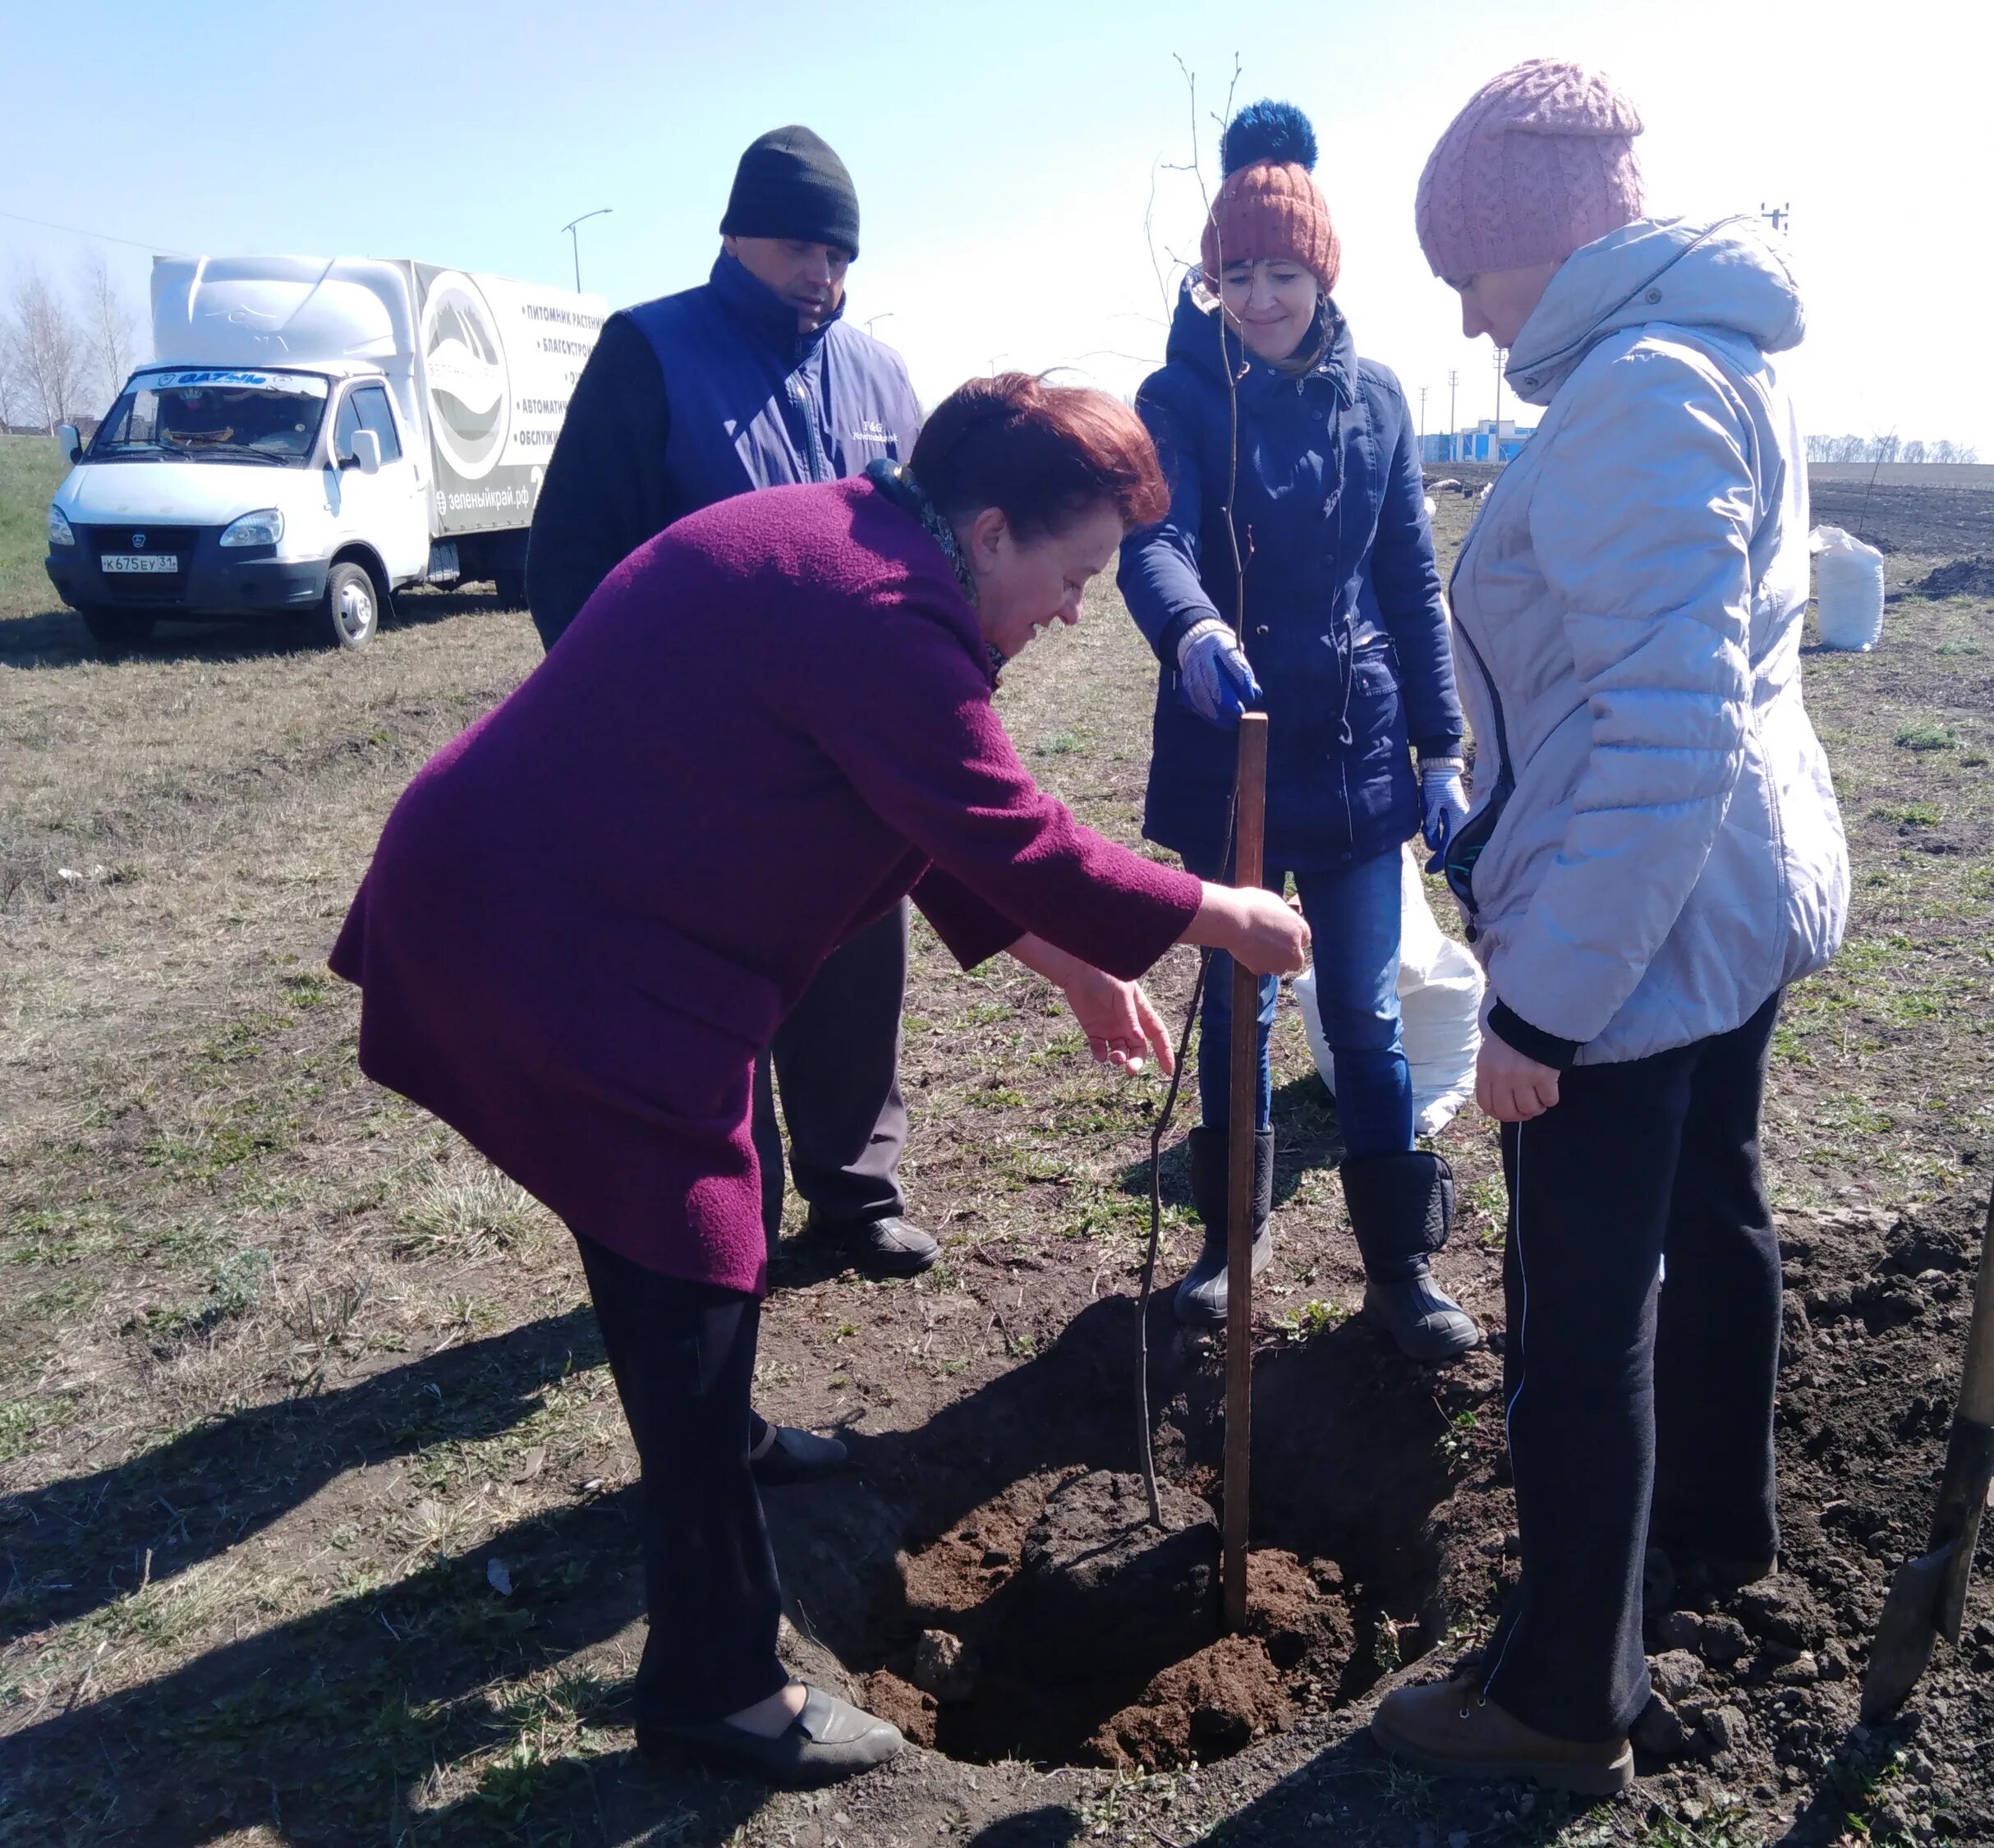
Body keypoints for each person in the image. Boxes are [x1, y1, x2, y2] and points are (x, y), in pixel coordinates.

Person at [330, 375, 1312, 1786]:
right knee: (690, 1242)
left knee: (675, 1237)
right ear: (989, 530)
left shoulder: (870, 549)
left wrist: (1078, 971)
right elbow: (1012, 832)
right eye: (1075, 570)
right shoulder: (881, 613)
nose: (1078, 607)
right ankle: (719, 1688)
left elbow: (912, 811)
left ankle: (712, 1429)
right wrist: (1216, 910)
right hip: (549, 934)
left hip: (566, 908)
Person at [1368, 60, 1851, 1792]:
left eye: (1469, 272)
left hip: (1638, 923)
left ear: (1545, 245)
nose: (1467, 315)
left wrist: (1543, 1014)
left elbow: (1665, 730)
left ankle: (1566, 1695)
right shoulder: (1715, 351)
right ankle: (1717, 1536)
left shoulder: (1640, 394)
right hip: (1729, 900)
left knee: (1581, 1312)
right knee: (1718, 1204)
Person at [527, 124, 941, 1283]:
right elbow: (568, 564)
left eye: (843, 253)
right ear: (738, 232)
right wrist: (643, 723)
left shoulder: (879, 374)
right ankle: (730, 1211)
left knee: (860, 966)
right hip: (700, 769)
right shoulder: (650, 353)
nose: (826, 273)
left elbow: (930, 552)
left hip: (850, 762)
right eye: (805, 246)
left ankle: (856, 1188)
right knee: (716, 999)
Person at [1119, 101, 1477, 1363]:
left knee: (1366, 1012)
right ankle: (1230, 1245)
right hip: (1232, 755)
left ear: (1321, 269)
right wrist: (1192, 632)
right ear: (1209, 280)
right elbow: (1149, 540)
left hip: (1358, 752)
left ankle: (1401, 1268)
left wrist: (1441, 747)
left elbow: (1409, 581)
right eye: (1236, 274)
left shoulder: (1378, 403)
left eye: (1282, 270)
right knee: (1237, 1001)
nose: (1260, 297)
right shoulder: (1179, 397)